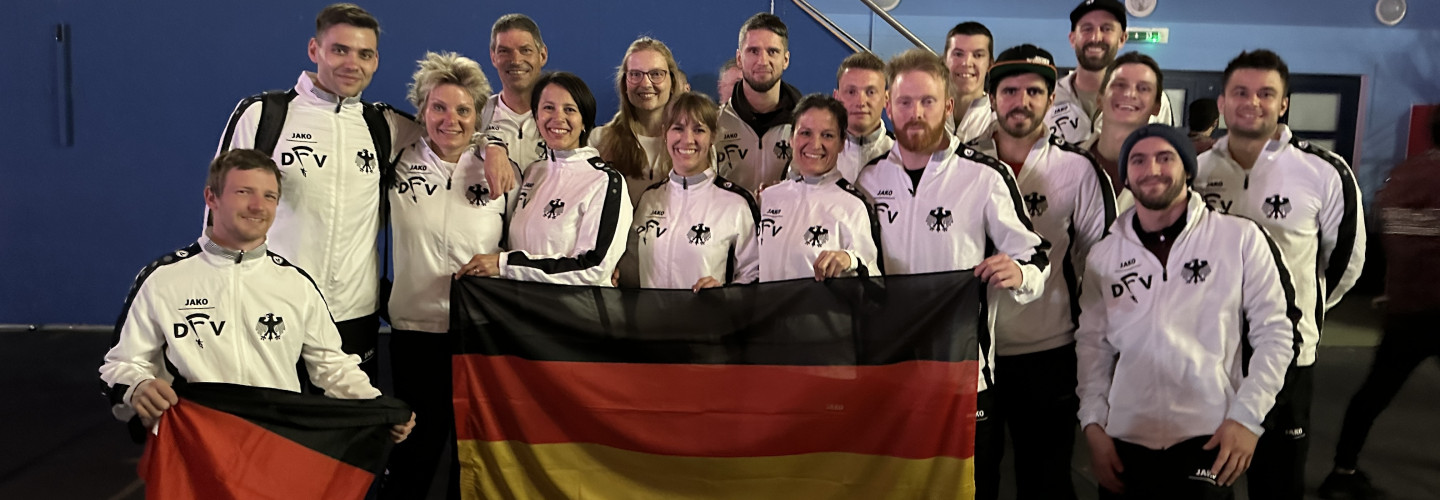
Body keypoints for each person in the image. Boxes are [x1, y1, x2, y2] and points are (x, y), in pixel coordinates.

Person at [100, 149, 414, 443]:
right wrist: (137, 387)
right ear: (212, 197)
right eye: (243, 192)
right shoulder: (163, 279)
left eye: (269, 196)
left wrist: (378, 406)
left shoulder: (296, 284)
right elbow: (120, 364)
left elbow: (332, 366)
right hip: (193, 445)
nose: (258, 206)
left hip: (272, 447)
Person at [853, 49, 1051, 500]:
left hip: (964, 376)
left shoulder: (985, 176)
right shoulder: (869, 179)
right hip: (891, 372)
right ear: (888, 106)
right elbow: (861, 263)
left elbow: (1036, 253)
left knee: (972, 490)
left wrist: (1020, 273)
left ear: (947, 106)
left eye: (927, 101)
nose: (916, 113)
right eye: (905, 102)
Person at [1077, 124, 1299, 499]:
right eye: (1138, 160)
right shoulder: (1104, 255)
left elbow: (1277, 334)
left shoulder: (1239, 238)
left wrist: (1247, 419)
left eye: (1165, 158)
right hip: (1126, 433)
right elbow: (1092, 347)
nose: (1152, 169)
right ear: (1126, 177)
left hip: (1208, 432)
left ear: (1188, 169)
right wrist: (1093, 425)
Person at [1194, 49, 1367, 500]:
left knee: (1278, 484)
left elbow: (1345, 263)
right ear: (1222, 102)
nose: (1252, 102)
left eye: (1266, 93)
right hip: (1210, 352)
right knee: (1207, 483)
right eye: (1240, 92)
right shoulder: (1196, 171)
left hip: (1287, 355)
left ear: (1283, 103)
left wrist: (1297, 310)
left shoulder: (1323, 172)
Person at [214, 3, 404, 379]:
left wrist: (492, 146)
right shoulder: (264, 115)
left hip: (354, 314)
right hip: (272, 307)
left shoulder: (383, 125)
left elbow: (453, 132)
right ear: (314, 50)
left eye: (364, 54)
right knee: (271, 416)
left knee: (350, 416)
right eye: (340, 50)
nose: (352, 63)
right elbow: (218, 217)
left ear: (376, 61)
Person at [968, 44, 1116, 500]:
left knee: (1046, 480)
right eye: (1009, 91)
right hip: (974, 355)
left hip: (1048, 351)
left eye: (1034, 91)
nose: (1022, 101)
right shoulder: (962, 165)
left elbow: (1101, 265)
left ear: (1052, 99)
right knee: (974, 482)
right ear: (992, 99)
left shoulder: (1079, 169)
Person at [379, 51, 514, 500]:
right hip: (414, 332)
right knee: (413, 452)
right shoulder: (397, 159)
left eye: (463, 110)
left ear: (478, 115)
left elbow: (521, 247)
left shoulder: (500, 169)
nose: (450, 120)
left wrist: (495, 146)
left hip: (478, 335)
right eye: (439, 107)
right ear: (422, 110)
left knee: (469, 454)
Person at [1318, 111, 1440, 500]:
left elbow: (1389, 231)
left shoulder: (1402, 176)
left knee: (1373, 393)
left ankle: (1342, 470)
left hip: (1405, 307)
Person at [457, 72, 632, 286]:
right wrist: (492, 146)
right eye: (548, 108)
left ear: (584, 121)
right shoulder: (534, 172)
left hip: (576, 307)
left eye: (569, 109)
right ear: (536, 117)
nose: (558, 118)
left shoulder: (604, 182)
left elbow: (594, 267)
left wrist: (506, 265)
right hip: (521, 305)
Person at [631, 92, 759, 290]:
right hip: (650, 311)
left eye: (698, 130)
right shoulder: (650, 198)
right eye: (678, 128)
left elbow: (754, 274)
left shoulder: (736, 203)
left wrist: (724, 294)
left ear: (713, 136)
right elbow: (629, 263)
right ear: (665, 133)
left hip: (708, 311)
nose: (687, 139)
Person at [757, 94, 880, 282]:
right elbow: (749, 271)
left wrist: (851, 260)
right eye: (805, 133)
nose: (815, 145)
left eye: (827, 135)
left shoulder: (853, 206)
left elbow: (874, 283)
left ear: (841, 143)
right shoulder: (769, 198)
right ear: (791, 138)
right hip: (766, 303)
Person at [1046, 0, 1172, 145]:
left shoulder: (1151, 99)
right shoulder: (1046, 98)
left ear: (1122, 38)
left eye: (1106, 29)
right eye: (1087, 29)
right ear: (1073, 39)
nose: (1095, 37)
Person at [716, 12, 803, 193]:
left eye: (772, 51)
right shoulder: (715, 124)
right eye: (753, 51)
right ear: (739, 58)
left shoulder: (805, 125)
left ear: (786, 60)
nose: (762, 61)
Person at [592, 37, 684, 204]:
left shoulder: (693, 142)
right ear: (624, 83)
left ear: (672, 81)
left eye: (656, 74)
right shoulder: (599, 140)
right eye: (635, 74)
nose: (646, 83)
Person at [1082, 52, 1167, 212]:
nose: (1129, 94)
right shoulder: (1064, 161)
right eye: (1120, 85)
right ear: (1099, 99)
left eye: (1143, 88)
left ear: (1157, 106)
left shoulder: (1168, 174)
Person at [476, 14, 550, 197]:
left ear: (542, 55)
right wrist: (488, 145)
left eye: (525, 50)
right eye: (504, 51)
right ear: (493, 57)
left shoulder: (564, 119)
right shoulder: (476, 115)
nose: (516, 60)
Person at [832, 51, 893, 182]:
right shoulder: (817, 154)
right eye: (851, 92)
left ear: (886, 98)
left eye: (870, 92)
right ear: (836, 98)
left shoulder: (907, 157)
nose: (860, 102)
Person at [942, 21, 996, 144]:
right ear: (945, 59)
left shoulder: (999, 121)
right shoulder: (925, 112)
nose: (966, 63)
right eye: (958, 54)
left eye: (978, 55)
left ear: (990, 64)